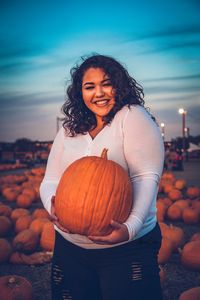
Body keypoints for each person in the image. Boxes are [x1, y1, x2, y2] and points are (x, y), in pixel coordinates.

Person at [40, 54, 165, 300]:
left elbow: (146, 176)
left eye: (106, 83)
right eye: (90, 87)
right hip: (69, 246)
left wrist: (129, 228)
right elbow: (50, 180)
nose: (99, 93)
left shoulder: (131, 116)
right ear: (80, 92)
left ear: (119, 85)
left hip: (126, 248)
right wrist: (52, 207)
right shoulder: (69, 129)